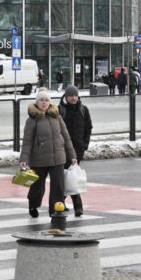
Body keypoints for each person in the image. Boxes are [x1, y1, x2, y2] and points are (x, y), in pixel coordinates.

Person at [19, 88, 78, 219]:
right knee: (37, 187)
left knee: (58, 186)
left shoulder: (57, 117)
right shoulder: (32, 120)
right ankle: (33, 204)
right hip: (39, 159)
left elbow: (66, 137)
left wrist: (72, 155)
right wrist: (24, 158)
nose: (44, 103)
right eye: (41, 100)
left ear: (50, 102)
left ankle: (55, 211)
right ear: (37, 102)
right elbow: (27, 141)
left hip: (58, 157)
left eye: (46, 100)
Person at [60, 85, 92, 217]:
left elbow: (88, 128)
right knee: (64, 177)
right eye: (71, 96)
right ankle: (62, 204)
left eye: (75, 95)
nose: (73, 98)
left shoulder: (83, 110)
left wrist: (84, 145)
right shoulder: (60, 110)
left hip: (78, 149)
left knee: (71, 176)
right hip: (62, 149)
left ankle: (73, 206)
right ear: (66, 97)